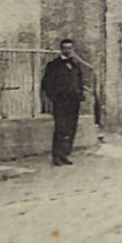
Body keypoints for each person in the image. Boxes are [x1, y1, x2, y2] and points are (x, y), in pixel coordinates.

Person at [41, 38, 87, 166]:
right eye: (65, 48)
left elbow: (79, 81)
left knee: (71, 128)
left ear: (73, 49)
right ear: (61, 49)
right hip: (61, 102)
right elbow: (46, 83)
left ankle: (65, 154)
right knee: (60, 128)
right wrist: (54, 98)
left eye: (70, 48)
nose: (67, 50)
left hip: (73, 102)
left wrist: (79, 95)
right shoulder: (54, 65)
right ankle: (57, 156)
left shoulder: (75, 64)